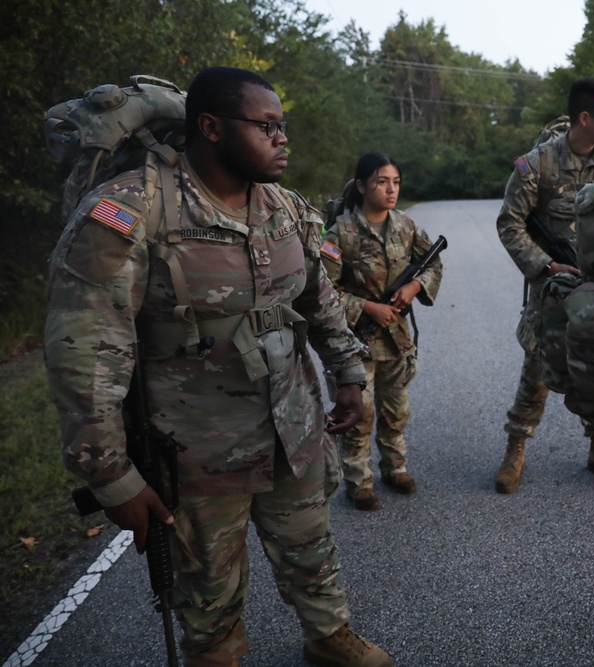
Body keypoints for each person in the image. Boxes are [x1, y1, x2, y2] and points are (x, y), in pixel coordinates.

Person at [44, 66, 394, 667]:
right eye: (267, 127)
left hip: (293, 428)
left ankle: (329, 634)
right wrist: (111, 476)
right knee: (207, 587)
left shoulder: (285, 207)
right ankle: (215, 655)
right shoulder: (130, 211)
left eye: (283, 127)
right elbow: (86, 351)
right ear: (210, 127)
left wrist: (350, 374)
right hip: (195, 453)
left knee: (311, 547)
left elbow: (319, 299)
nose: (282, 140)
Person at [494, 76, 594, 493]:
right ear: (584, 118)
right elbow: (510, 224)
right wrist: (545, 266)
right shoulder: (537, 165)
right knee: (537, 370)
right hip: (553, 288)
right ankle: (516, 448)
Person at [320, 152, 443, 511]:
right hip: (354, 342)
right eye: (382, 181)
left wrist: (415, 287)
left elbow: (433, 264)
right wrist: (366, 307)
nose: (391, 189)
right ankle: (359, 481)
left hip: (396, 339)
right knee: (359, 415)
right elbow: (321, 291)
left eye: (396, 182)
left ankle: (396, 467)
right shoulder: (340, 232)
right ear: (361, 186)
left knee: (396, 410)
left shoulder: (406, 226)